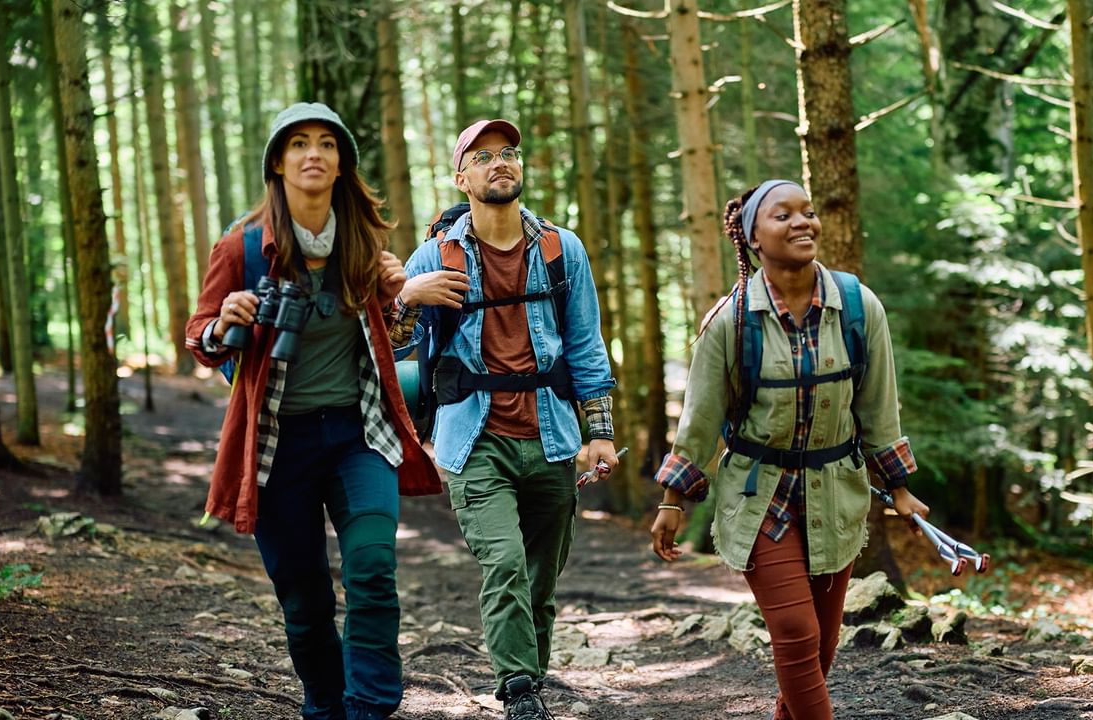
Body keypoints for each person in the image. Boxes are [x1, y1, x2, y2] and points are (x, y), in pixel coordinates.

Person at [185, 102, 442, 720]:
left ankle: (370, 706)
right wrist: (226, 321)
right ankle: (326, 707)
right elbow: (198, 338)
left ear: (340, 163)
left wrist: (399, 293)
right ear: (278, 162)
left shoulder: (364, 242)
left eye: (326, 144)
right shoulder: (243, 247)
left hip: (358, 435)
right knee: (303, 599)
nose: (313, 154)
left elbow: (396, 341)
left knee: (374, 570)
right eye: (298, 143)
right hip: (276, 444)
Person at [649, 180, 929, 720]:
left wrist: (899, 488)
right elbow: (700, 421)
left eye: (809, 211)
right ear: (753, 237)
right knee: (797, 634)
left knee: (819, 651)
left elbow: (878, 407)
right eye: (784, 215)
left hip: (837, 494)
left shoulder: (857, 307)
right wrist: (671, 500)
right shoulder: (729, 322)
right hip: (760, 498)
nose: (803, 222)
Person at [392, 118, 618, 720]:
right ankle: (518, 689)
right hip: (473, 439)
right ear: (460, 175)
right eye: (484, 155)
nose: (501, 163)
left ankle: (532, 684)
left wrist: (600, 434)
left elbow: (587, 345)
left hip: (552, 437)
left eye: (510, 153)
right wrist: (407, 299)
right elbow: (392, 348)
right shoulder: (433, 256)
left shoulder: (560, 250)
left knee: (542, 581)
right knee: (505, 563)